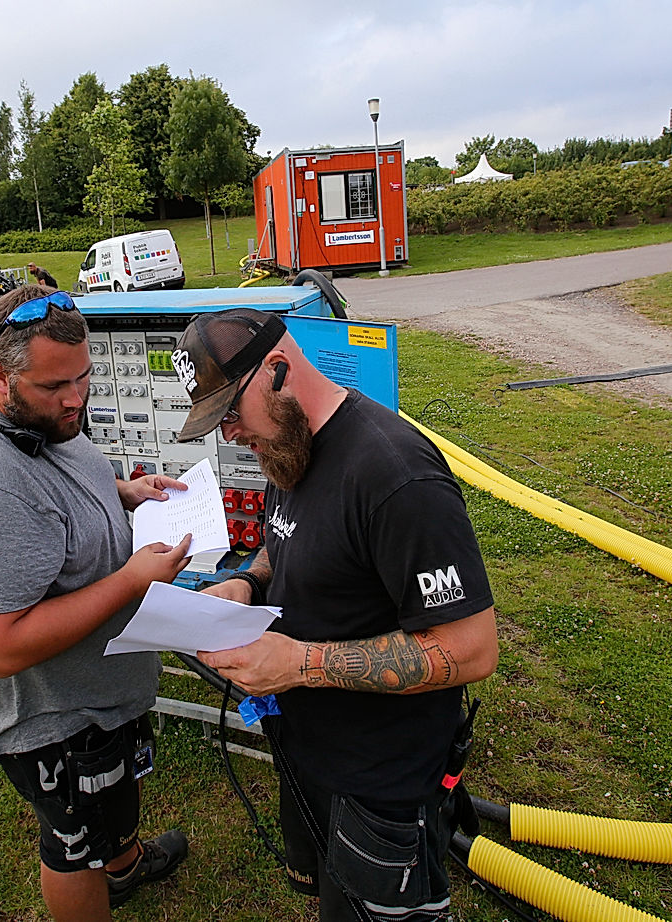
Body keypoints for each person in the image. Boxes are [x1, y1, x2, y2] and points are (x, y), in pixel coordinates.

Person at [173, 308, 498, 922]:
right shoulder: (289, 444)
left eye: (231, 415)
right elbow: (286, 535)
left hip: (382, 779)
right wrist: (247, 581)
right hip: (310, 748)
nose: (230, 436)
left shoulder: (396, 477)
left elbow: (472, 648)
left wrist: (301, 663)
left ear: (276, 372)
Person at [0, 285, 194, 922]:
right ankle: (101, 872)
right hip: (56, 717)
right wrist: (130, 582)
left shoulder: (38, 414)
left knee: (112, 798)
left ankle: (123, 865)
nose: (76, 399)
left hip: (98, 691)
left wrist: (122, 492)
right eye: (55, 387)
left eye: (85, 377)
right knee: (73, 842)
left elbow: (58, 489)